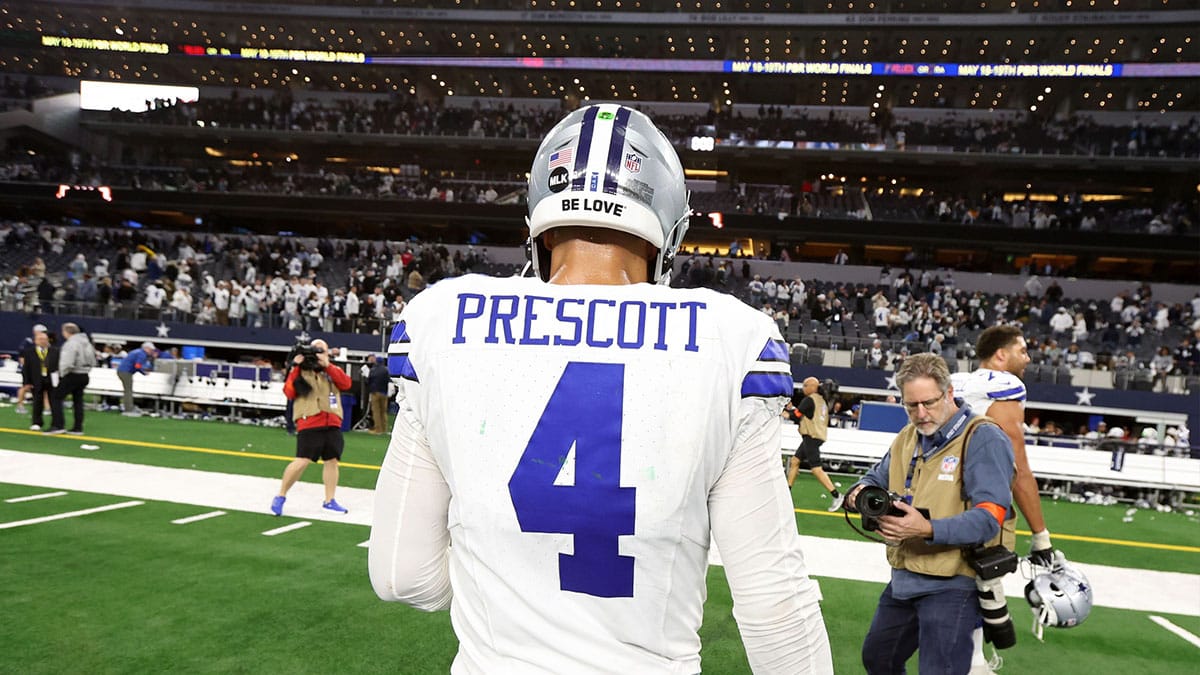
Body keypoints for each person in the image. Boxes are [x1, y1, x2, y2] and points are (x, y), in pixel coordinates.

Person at [369, 104, 833, 674]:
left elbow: (401, 574)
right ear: (670, 227)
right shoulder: (730, 338)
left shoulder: (442, 319)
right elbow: (775, 605)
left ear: (538, 218)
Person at [847, 353, 1015, 674]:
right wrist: (859, 494)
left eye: (929, 402)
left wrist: (926, 528)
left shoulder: (982, 438)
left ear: (949, 393)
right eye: (911, 406)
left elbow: (989, 518)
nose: (921, 414)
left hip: (954, 581)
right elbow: (872, 479)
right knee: (879, 658)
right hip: (905, 576)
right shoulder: (907, 437)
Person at [270, 338, 352, 516]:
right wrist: (295, 366)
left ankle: (329, 500)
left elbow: (346, 384)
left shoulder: (332, 370)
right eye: (315, 350)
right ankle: (281, 495)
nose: (318, 354)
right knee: (302, 460)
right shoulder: (299, 370)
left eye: (322, 350)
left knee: (332, 461)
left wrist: (327, 365)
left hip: (332, 421)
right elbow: (289, 392)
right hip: (309, 421)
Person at [786, 376, 844, 512]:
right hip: (815, 435)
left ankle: (836, 495)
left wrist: (782, 412)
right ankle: (786, 492)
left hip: (811, 436)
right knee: (795, 461)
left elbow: (795, 416)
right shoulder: (821, 401)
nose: (803, 388)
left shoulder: (809, 400)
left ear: (812, 386)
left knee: (816, 469)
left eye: (805, 385)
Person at [48, 322, 95, 435]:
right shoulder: (87, 343)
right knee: (78, 400)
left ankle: (58, 425)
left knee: (56, 397)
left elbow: (67, 361)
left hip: (73, 374)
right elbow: (93, 360)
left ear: (66, 332)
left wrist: (62, 373)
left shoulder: (71, 343)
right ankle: (77, 427)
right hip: (84, 374)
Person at [20, 328, 56, 431]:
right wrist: (26, 382)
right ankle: (37, 422)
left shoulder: (54, 351)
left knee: (53, 402)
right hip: (36, 380)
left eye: (44, 339)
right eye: (40, 339)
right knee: (37, 402)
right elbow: (26, 369)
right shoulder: (29, 352)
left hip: (51, 380)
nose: (42, 341)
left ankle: (55, 423)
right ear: (35, 340)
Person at [14, 323, 48, 415]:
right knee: (26, 387)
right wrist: (26, 368)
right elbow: (22, 356)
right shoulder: (28, 342)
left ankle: (47, 407)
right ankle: (20, 405)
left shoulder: (44, 342)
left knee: (44, 388)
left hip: (39, 369)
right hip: (29, 369)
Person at [116, 341, 158, 416]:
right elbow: (137, 366)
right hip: (126, 372)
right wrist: (144, 373)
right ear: (146, 348)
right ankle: (128, 409)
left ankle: (129, 407)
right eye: (151, 350)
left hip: (122, 371)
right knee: (128, 391)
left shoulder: (137, 351)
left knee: (127, 390)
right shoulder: (142, 354)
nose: (151, 351)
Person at [365, 353, 390, 435]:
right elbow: (388, 381)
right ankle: (384, 429)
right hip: (384, 393)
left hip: (375, 393)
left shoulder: (373, 370)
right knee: (383, 411)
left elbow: (368, 381)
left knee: (376, 411)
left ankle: (378, 429)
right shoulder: (386, 370)